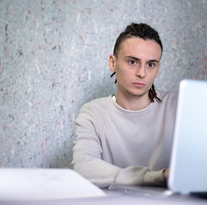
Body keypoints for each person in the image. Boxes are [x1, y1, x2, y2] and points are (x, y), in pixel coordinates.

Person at [72, 23, 178, 188]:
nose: (142, 73)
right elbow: (83, 168)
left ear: (157, 70)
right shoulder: (92, 113)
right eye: (132, 62)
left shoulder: (178, 106)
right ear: (113, 63)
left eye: (151, 64)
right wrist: (157, 177)